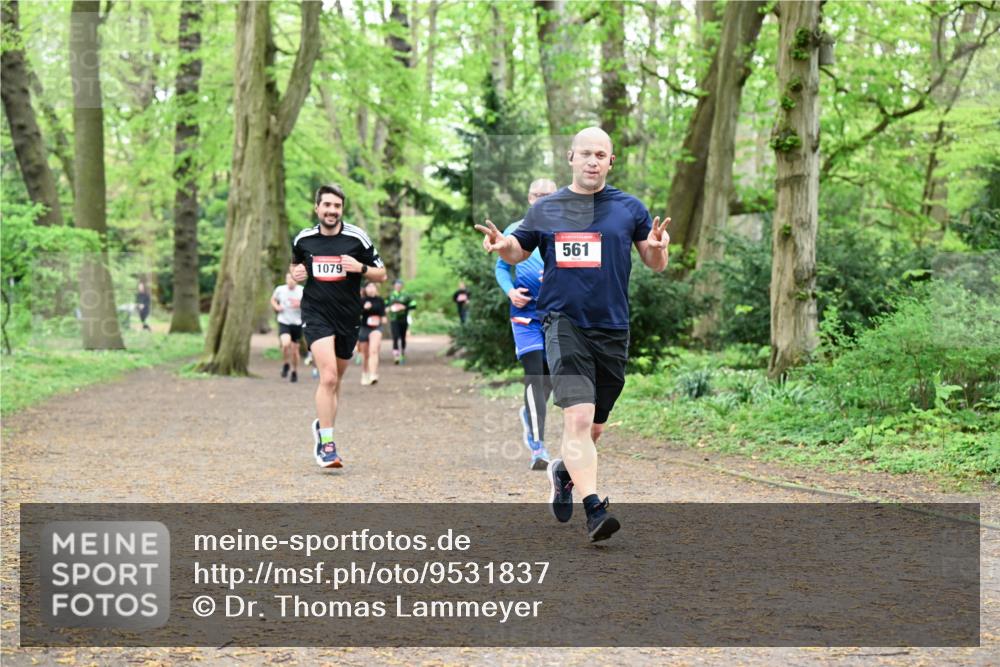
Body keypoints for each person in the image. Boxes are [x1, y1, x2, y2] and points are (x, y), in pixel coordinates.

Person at [476, 127, 670, 542]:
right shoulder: (547, 209)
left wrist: (658, 246)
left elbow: (654, 262)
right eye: (585, 153)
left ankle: (565, 470)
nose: (593, 161)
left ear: (611, 161)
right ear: (571, 157)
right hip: (562, 323)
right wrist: (501, 245)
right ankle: (595, 510)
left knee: (594, 429)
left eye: (601, 154)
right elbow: (519, 249)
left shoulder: (629, 208)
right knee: (577, 417)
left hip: (612, 328)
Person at [291, 184, 387, 468]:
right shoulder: (303, 239)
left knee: (336, 382)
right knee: (328, 377)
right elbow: (296, 268)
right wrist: (296, 274)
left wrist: (361, 268)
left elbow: (382, 274)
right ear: (317, 208)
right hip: (316, 313)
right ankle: (328, 446)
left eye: (337, 206)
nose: (332, 211)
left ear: (341, 210)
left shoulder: (357, 238)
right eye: (327, 205)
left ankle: (323, 427)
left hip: (348, 317)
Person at [494, 178, 558, 470]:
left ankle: (528, 414)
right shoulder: (514, 231)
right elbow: (502, 267)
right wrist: (509, 291)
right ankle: (538, 446)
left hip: (558, 316)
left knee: (549, 380)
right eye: (538, 195)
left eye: (549, 195)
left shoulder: (566, 230)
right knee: (535, 375)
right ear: (530, 198)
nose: (543, 200)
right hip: (525, 316)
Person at [270, 272, 304, 383]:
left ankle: (294, 371)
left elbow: (309, 304)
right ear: (286, 279)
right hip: (284, 321)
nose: (290, 281)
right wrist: (277, 307)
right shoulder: (280, 289)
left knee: (295, 350)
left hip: (297, 323)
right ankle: (286, 363)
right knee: (285, 344)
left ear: (296, 280)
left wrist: (300, 304)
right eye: (288, 278)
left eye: (292, 279)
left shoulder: (302, 290)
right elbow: (273, 299)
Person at [358, 281, 386, 385]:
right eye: (368, 286)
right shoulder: (361, 300)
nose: (371, 288)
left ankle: (373, 374)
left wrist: (383, 319)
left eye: (373, 286)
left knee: (373, 351)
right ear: (365, 289)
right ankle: (365, 373)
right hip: (364, 328)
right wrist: (364, 308)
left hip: (376, 328)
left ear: (376, 288)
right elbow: (356, 314)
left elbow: (383, 315)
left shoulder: (380, 300)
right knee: (365, 355)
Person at [386, 279, 417, 364]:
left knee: (403, 337)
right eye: (396, 285)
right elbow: (385, 305)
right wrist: (387, 309)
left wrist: (405, 307)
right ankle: (396, 356)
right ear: (394, 286)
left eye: (400, 285)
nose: (398, 286)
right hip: (393, 319)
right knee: (395, 337)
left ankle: (402, 353)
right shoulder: (390, 295)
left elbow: (414, 305)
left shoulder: (407, 295)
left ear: (402, 286)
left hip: (403, 319)